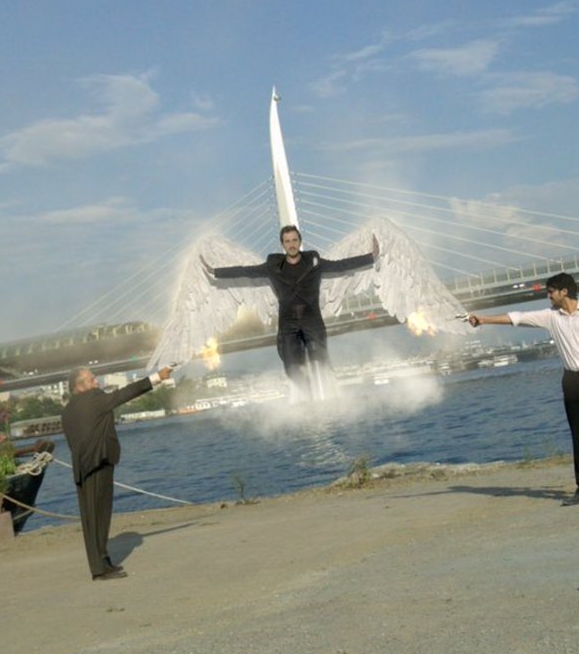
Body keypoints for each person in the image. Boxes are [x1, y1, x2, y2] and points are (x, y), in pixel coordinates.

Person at [466, 272, 579, 506]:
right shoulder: (550, 317)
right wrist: (484, 320)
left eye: (550, 292)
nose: (548, 296)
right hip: (571, 380)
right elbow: (517, 317)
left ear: (564, 292)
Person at [202, 224, 378, 397]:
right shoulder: (273, 265)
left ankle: (328, 398)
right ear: (282, 245)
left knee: (320, 361)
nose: (291, 244)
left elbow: (341, 265)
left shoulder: (313, 261)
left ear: (300, 242)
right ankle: (307, 397)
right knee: (292, 367)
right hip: (288, 323)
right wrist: (215, 271)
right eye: (287, 241)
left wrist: (371, 257)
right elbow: (246, 271)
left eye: (294, 240)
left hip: (312, 320)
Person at [60, 365, 173, 580]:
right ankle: (99, 569)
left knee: (91, 518)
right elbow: (125, 394)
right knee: (100, 516)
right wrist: (157, 377)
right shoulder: (94, 398)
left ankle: (102, 561)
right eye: (93, 380)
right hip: (98, 463)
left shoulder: (67, 411)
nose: (97, 383)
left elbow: (74, 440)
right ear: (81, 386)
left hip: (83, 466)